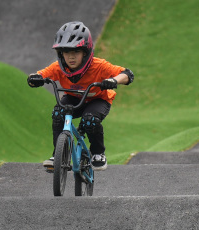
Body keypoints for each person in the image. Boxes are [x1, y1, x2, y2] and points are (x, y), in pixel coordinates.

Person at [27, 21, 133, 171]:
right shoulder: (58, 67)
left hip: (98, 99)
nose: (71, 57)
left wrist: (114, 80)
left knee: (90, 120)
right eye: (66, 52)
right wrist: (34, 79)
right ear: (61, 54)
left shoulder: (99, 66)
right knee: (58, 113)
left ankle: (98, 153)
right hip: (74, 98)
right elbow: (39, 74)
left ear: (85, 52)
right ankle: (58, 154)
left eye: (76, 51)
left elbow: (127, 74)